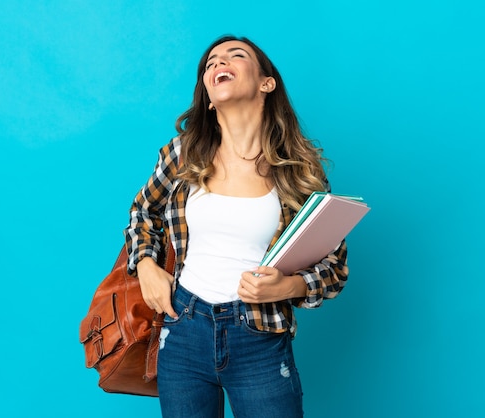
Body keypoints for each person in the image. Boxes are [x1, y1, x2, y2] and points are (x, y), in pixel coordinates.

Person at [124, 35, 349, 418]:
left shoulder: (300, 170)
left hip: (258, 336)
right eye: (210, 63)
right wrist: (146, 266)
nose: (217, 63)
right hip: (183, 328)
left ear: (267, 83)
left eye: (235, 55)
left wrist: (287, 286)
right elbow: (142, 214)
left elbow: (334, 266)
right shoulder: (183, 153)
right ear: (209, 97)